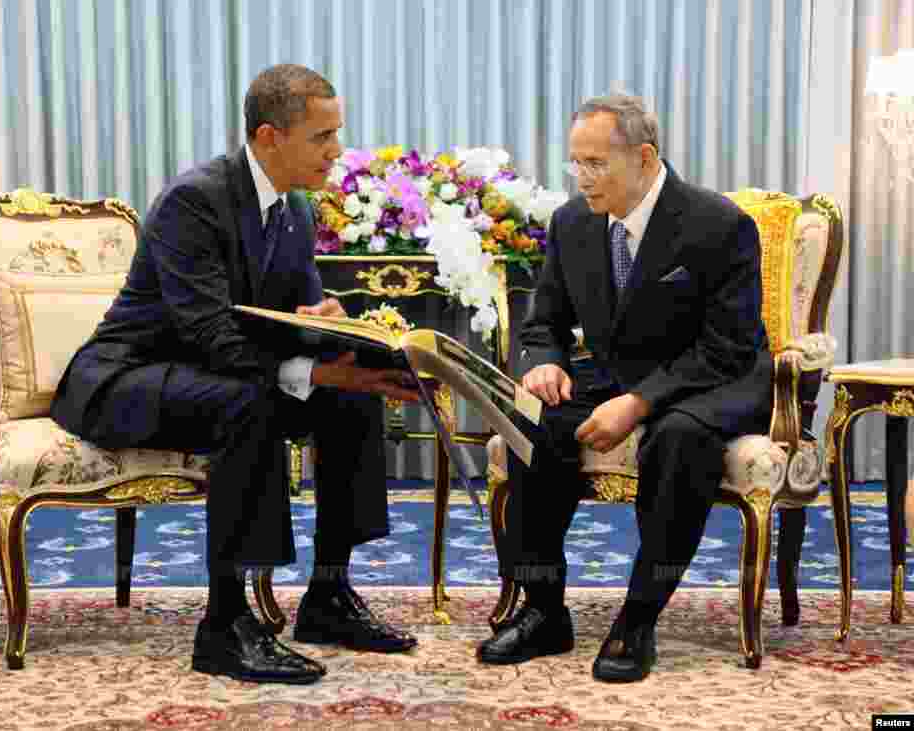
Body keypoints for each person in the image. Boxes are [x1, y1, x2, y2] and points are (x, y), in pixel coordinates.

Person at [51, 64, 421, 685]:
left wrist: (337, 332)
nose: (337, 151)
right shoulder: (194, 200)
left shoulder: (295, 210)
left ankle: (328, 596)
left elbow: (287, 320)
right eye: (323, 137)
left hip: (212, 372)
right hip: (125, 377)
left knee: (352, 400)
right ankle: (223, 627)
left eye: (338, 134)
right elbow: (210, 335)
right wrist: (316, 370)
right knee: (250, 402)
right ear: (270, 137)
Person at [476, 94, 771, 682]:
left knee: (678, 438)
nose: (582, 179)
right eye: (575, 163)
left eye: (595, 164)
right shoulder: (572, 222)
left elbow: (728, 347)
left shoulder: (719, 225)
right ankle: (542, 609)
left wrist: (638, 404)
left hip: (712, 377)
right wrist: (544, 363)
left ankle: (638, 620)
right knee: (531, 416)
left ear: (643, 156)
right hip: (617, 375)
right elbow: (543, 322)